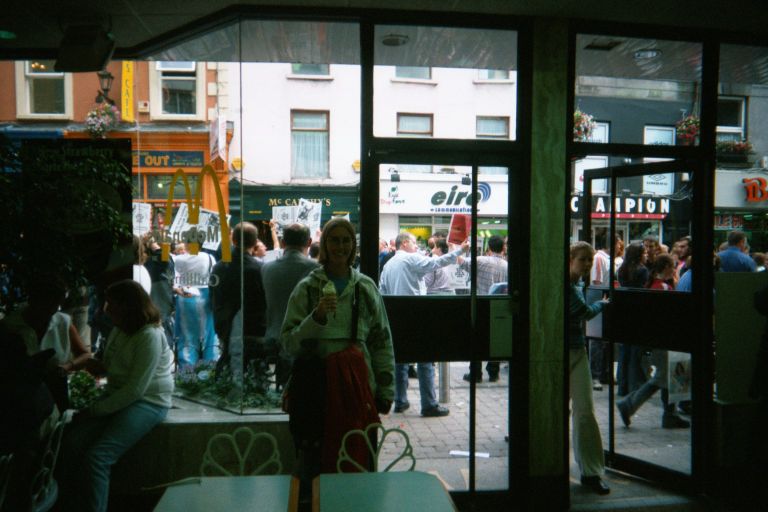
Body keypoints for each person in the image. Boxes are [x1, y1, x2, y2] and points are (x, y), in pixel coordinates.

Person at [281, 218, 395, 490]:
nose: (340, 246)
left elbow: (381, 340)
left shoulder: (365, 287)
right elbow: (288, 343)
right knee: (315, 464)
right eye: (335, 240)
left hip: (359, 387)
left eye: (346, 240)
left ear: (353, 245)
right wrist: (316, 317)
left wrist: (386, 388)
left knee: (360, 459)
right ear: (325, 245)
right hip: (316, 390)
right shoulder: (307, 288)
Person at [58, 279, 174, 512]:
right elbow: (113, 369)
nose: (104, 309)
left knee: (98, 457)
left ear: (128, 306)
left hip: (149, 402)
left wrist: (94, 411)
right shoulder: (120, 330)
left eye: (111, 303)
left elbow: (136, 390)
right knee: (71, 443)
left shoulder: (149, 336)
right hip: (119, 396)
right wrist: (95, 366)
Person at [380, 231, 469, 417]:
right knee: (425, 359)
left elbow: (383, 292)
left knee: (400, 360)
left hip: (396, 317)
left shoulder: (388, 265)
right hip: (416, 314)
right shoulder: (410, 259)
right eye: (414, 243)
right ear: (404, 243)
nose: (417, 247)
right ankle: (429, 404)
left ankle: (400, 401)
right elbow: (435, 263)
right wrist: (459, 251)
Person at [616, 254, 690, 430]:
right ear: (665, 268)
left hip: (657, 339)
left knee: (665, 376)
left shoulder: (651, 285)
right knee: (666, 376)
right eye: (672, 266)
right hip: (666, 339)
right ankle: (632, 405)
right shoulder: (663, 287)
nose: (674, 270)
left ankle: (664, 413)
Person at [1, 274, 92, 411]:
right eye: (46, 304)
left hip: (56, 394)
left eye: (56, 305)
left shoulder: (63, 322)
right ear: (32, 299)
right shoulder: (10, 326)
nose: (52, 310)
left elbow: (85, 355)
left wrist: (66, 367)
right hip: (18, 400)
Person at [568, 241, 610, 495]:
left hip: (575, 351)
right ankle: (590, 472)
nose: (586, 265)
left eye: (589, 260)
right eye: (582, 259)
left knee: (585, 411)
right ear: (571, 258)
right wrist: (601, 305)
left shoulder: (576, 284)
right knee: (583, 412)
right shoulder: (569, 286)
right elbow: (582, 311)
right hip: (564, 352)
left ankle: (592, 471)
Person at [262, 223, 319, 387]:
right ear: (309, 242)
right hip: (305, 343)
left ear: (283, 242)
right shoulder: (316, 269)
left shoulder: (266, 268)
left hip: (273, 337)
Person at [210, 222, 268, 375]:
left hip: (226, 327)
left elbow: (213, 297)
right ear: (255, 243)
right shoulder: (260, 269)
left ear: (233, 240)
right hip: (254, 329)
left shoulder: (219, 267)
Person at [459, 235, 508, 383]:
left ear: (489, 248)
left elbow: (460, 262)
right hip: (498, 305)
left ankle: (475, 373)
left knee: (477, 338)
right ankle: (494, 372)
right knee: (494, 338)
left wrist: (458, 249)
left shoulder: (481, 260)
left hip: (480, 304)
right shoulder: (507, 265)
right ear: (503, 248)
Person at [172, 243, 218, 368]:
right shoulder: (209, 257)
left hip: (185, 297)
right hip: (205, 296)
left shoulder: (178, 259)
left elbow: (174, 281)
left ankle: (187, 373)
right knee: (209, 336)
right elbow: (214, 278)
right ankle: (209, 371)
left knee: (187, 337)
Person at [615, 242, 650, 397]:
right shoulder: (642, 271)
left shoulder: (621, 270)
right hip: (638, 313)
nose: (646, 255)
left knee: (624, 351)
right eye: (644, 253)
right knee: (635, 351)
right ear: (639, 254)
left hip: (623, 313)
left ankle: (622, 386)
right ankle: (633, 386)